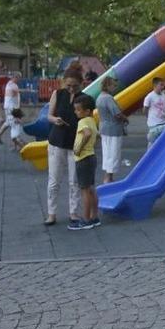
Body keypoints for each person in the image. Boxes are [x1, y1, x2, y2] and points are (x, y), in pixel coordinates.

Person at [44, 63, 83, 226]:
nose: (71, 89)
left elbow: (87, 120)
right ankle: (51, 213)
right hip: (57, 141)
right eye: (68, 85)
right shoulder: (58, 94)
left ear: (80, 84)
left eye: (74, 86)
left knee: (74, 180)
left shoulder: (85, 98)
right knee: (54, 180)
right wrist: (55, 120)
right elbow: (49, 116)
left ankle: (73, 211)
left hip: (75, 143)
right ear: (63, 83)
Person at [71, 94, 101, 230]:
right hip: (91, 157)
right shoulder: (92, 120)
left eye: (78, 109)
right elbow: (95, 135)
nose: (76, 112)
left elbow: (87, 134)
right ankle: (94, 217)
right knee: (91, 189)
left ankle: (86, 219)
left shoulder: (82, 122)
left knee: (84, 190)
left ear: (87, 111)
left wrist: (78, 148)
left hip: (83, 158)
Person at [96, 76, 127, 183]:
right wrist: (125, 119)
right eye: (113, 85)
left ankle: (108, 176)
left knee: (107, 153)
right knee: (114, 153)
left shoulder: (99, 97)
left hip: (103, 128)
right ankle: (108, 177)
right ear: (108, 85)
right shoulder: (108, 98)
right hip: (113, 129)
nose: (114, 88)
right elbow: (117, 113)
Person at [143, 77, 165, 149]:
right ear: (155, 85)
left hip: (163, 122)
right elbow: (145, 109)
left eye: (163, 85)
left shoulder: (164, 95)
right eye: (161, 85)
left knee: (163, 143)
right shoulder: (149, 97)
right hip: (154, 124)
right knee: (152, 143)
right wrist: (149, 117)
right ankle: (149, 156)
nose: (163, 87)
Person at [0, 72, 21, 144]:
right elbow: (18, 91)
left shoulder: (9, 84)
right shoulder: (13, 85)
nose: (19, 79)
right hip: (12, 107)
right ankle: (17, 141)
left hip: (8, 106)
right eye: (19, 77)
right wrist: (29, 90)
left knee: (7, 122)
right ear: (15, 77)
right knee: (15, 123)